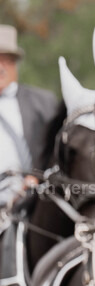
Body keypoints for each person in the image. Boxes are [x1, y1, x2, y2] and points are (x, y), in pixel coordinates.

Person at [0, 25, 63, 207]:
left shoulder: (43, 103)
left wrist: (37, 176)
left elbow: (58, 147)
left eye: (6, 61)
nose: (1, 67)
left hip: (32, 202)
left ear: (15, 64)